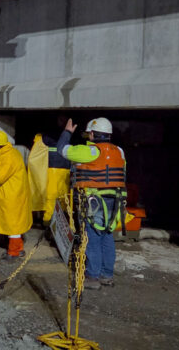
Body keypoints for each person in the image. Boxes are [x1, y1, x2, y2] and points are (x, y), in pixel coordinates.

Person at [57, 117, 126, 290]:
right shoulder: (120, 151)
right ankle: (106, 275)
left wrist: (67, 132)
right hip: (115, 201)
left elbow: (61, 149)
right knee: (107, 236)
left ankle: (93, 277)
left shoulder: (90, 152)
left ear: (93, 134)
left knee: (93, 238)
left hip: (94, 201)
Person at [0, 130, 32, 262]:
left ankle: (13, 253)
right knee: (14, 225)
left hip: (12, 197)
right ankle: (18, 249)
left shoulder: (8, 157)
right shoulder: (8, 154)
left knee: (13, 227)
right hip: (12, 195)